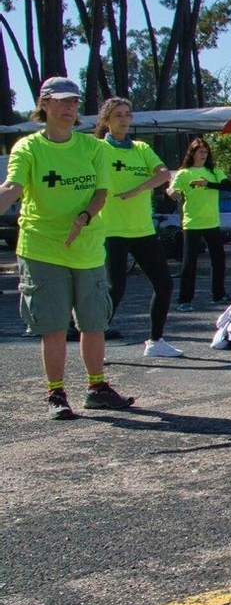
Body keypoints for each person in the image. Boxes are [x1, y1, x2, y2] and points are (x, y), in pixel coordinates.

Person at [0, 76, 135, 418]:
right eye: (61, 101)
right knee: (54, 326)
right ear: (44, 104)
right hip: (42, 247)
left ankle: (97, 387)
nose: (69, 108)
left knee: (93, 323)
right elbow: (13, 187)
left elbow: (101, 192)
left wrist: (85, 216)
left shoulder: (93, 148)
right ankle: (56, 394)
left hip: (87, 247)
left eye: (74, 102)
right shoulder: (28, 148)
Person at [96, 97, 181, 357]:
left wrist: (137, 189)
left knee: (164, 284)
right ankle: (95, 344)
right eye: (118, 115)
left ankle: (156, 342)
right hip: (111, 229)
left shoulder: (142, 148)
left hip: (142, 229)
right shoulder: (97, 148)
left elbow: (164, 174)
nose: (124, 120)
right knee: (115, 289)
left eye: (127, 114)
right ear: (107, 120)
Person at [167, 137, 231, 311]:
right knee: (189, 263)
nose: (203, 154)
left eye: (206, 151)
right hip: (192, 223)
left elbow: (227, 186)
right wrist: (171, 191)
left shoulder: (214, 171)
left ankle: (219, 294)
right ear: (193, 153)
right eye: (200, 151)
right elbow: (172, 189)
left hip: (212, 222)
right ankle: (184, 300)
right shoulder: (184, 173)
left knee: (218, 259)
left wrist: (208, 184)